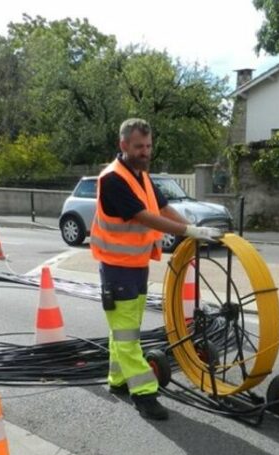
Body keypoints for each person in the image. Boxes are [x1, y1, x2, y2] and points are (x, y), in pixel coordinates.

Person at [91, 118, 223, 421]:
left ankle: (118, 380)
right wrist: (187, 231)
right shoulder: (113, 179)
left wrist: (193, 228)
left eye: (148, 146)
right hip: (117, 269)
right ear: (123, 145)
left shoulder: (141, 177)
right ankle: (145, 395)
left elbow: (162, 208)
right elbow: (144, 217)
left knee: (124, 331)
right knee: (126, 336)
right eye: (139, 147)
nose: (145, 152)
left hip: (136, 267)